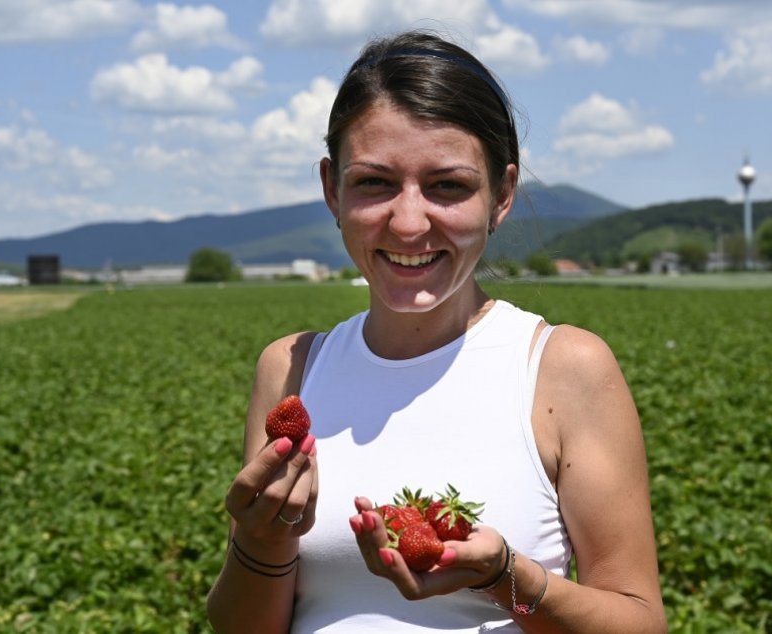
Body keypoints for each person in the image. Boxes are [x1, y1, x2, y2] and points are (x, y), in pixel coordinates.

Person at [206, 29, 666, 633]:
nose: (408, 221)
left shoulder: (562, 369)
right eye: (374, 182)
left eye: (448, 186)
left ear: (502, 194)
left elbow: (639, 623)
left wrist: (506, 578)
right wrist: (262, 544)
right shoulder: (291, 368)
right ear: (331, 190)